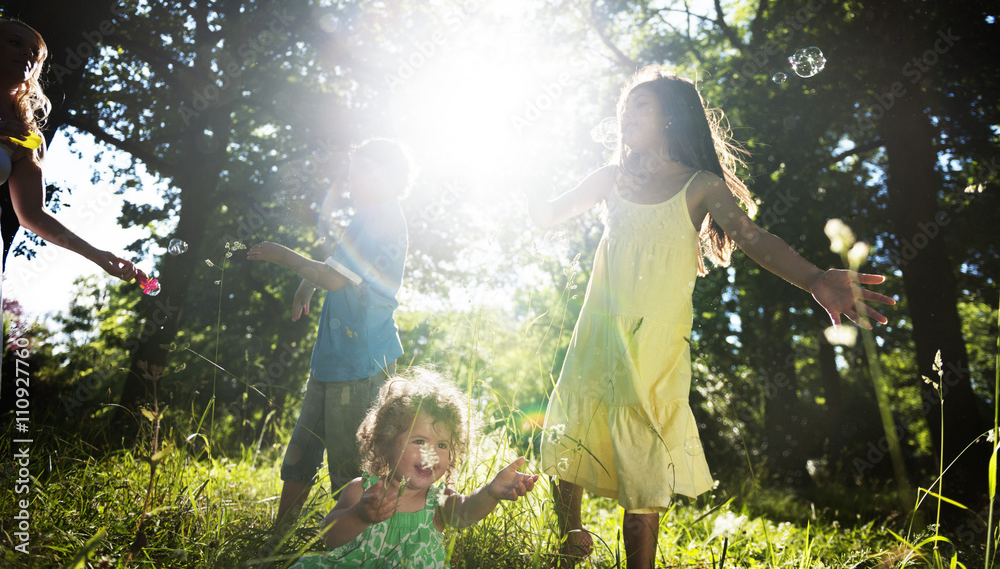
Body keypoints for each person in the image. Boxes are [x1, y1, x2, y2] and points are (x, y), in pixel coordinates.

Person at [528, 65, 895, 568]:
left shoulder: (700, 186)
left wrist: (814, 278)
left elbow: (755, 239)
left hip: (655, 344)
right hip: (598, 330)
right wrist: (519, 161)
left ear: (672, 118)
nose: (627, 113)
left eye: (642, 104)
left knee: (645, 453)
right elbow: (547, 215)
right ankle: (570, 543)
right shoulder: (611, 179)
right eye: (625, 105)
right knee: (573, 428)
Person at [247, 137, 416, 524]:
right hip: (332, 359)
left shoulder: (383, 217)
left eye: (358, 174)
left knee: (349, 463)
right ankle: (281, 535)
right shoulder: (367, 216)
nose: (350, 183)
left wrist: (282, 255)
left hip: (359, 361)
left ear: (382, 174)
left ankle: (348, 548)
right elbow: (336, 267)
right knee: (301, 450)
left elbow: (335, 279)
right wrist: (308, 283)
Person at [292, 367, 539, 568]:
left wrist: (491, 492)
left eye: (442, 445)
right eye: (419, 441)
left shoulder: (439, 500)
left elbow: (466, 512)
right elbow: (329, 536)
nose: (431, 454)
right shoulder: (362, 490)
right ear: (386, 441)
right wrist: (360, 515)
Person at [0, 18, 141, 325]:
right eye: (15, 42)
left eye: (34, 53)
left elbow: (33, 215)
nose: (27, 54)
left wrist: (97, 255)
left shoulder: (25, 135)